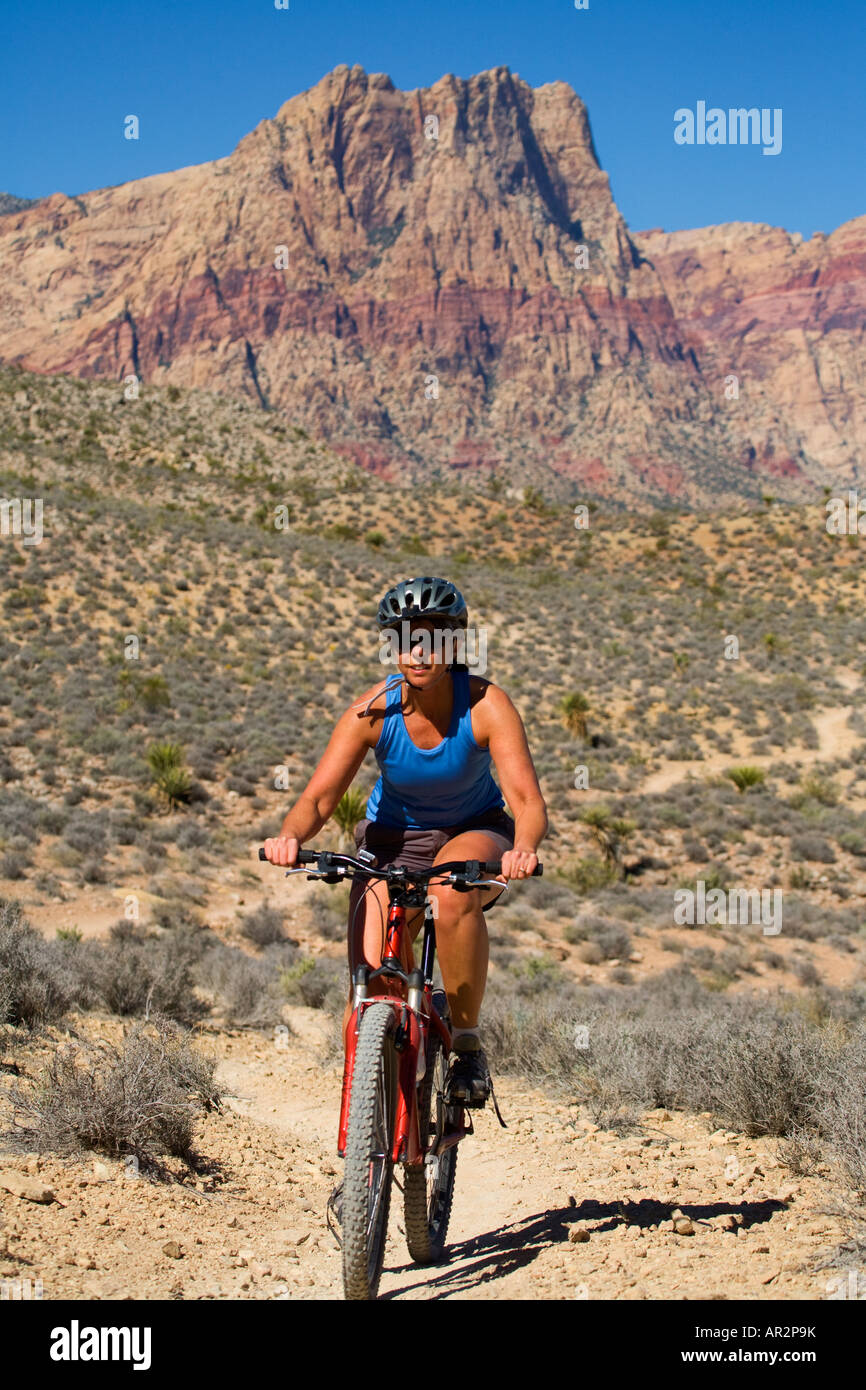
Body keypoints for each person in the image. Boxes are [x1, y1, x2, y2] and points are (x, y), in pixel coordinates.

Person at [261, 576, 548, 1108]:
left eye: (432, 637)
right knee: (367, 987)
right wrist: (289, 836)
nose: (418, 651)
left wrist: (523, 847)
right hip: (391, 841)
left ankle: (465, 1046)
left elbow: (527, 801)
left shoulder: (486, 706)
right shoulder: (372, 712)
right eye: (404, 638)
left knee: (450, 894)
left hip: (473, 832)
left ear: (454, 644)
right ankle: (366, 1164)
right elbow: (320, 799)